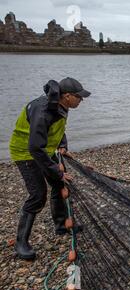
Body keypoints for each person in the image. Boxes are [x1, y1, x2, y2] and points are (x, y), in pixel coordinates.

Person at [9, 77, 90, 260]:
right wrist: (57, 170)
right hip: (26, 152)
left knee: (60, 184)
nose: (81, 100)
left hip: (42, 149)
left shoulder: (61, 105)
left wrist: (63, 144)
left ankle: (61, 226)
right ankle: (21, 243)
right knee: (37, 196)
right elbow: (34, 148)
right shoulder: (43, 110)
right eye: (79, 97)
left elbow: (58, 129)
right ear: (67, 96)